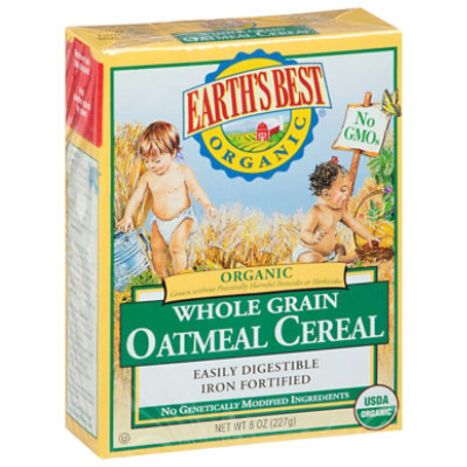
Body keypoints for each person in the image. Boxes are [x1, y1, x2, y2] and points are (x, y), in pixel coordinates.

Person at [116, 121, 216, 278]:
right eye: (147, 161)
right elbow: (136, 198)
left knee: (176, 248)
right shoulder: (148, 177)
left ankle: (180, 279)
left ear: (173, 153)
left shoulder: (182, 171)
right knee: (156, 249)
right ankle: (163, 280)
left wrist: (207, 205)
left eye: (156, 161)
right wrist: (127, 216)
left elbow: (196, 190)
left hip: (183, 219)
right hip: (159, 221)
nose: (151, 165)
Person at [292, 157, 378, 263]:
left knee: (340, 247)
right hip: (308, 251)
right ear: (326, 193)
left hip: (329, 254)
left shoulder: (339, 211)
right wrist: (313, 238)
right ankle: (339, 261)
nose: (346, 195)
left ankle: (337, 259)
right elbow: (304, 233)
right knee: (311, 258)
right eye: (343, 190)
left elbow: (353, 223)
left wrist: (368, 236)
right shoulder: (316, 211)